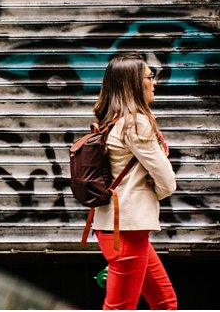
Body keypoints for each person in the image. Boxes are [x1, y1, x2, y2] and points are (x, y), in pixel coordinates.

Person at [91, 53, 178, 310]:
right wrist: (157, 188)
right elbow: (167, 181)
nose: (155, 83)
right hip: (126, 230)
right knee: (120, 308)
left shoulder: (110, 121)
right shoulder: (136, 123)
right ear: (133, 83)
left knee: (165, 302)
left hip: (118, 227)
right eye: (150, 77)